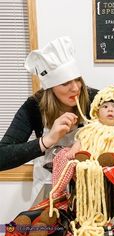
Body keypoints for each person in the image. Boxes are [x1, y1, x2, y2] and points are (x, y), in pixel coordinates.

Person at [0, 36, 97, 202]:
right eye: (65, 83)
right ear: (50, 88)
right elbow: (2, 157)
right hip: (48, 190)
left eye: (77, 80)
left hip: (91, 188)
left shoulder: (95, 99)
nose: (75, 88)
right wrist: (48, 139)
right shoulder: (34, 107)